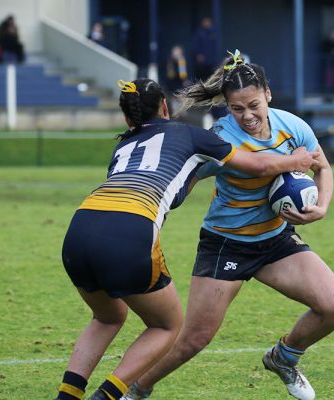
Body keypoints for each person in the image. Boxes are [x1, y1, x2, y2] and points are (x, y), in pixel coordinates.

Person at [54, 77, 318, 400]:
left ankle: (67, 395)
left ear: (128, 118)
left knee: (107, 317)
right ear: (165, 106)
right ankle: (108, 397)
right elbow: (258, 164)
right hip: (129, 232)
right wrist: (297, 162)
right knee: (166, 326)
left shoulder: (122, 145)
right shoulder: (192, 136)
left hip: (79, 229)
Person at [123, 50, 334, 400]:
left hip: (275, 241)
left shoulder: (294, 127)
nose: (247, 115)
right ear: (226, 106)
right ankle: (136, 389)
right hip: (225, 244)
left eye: (254, 105)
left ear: (268, 95)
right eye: (237, 108)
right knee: (193, 339)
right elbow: (186, 177)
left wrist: (321, 207)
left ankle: (283, 358)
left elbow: (323, 168)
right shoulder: (221, 138)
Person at [192, 17, 218, 82]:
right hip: (202, 64)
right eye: (205, 22)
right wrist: (198, 54)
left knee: (210, 77)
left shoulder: (212, 33)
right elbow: (196, 46)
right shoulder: (199, 33)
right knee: (201, 78)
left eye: (208, 22)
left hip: (211, 62)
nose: (207, 24)